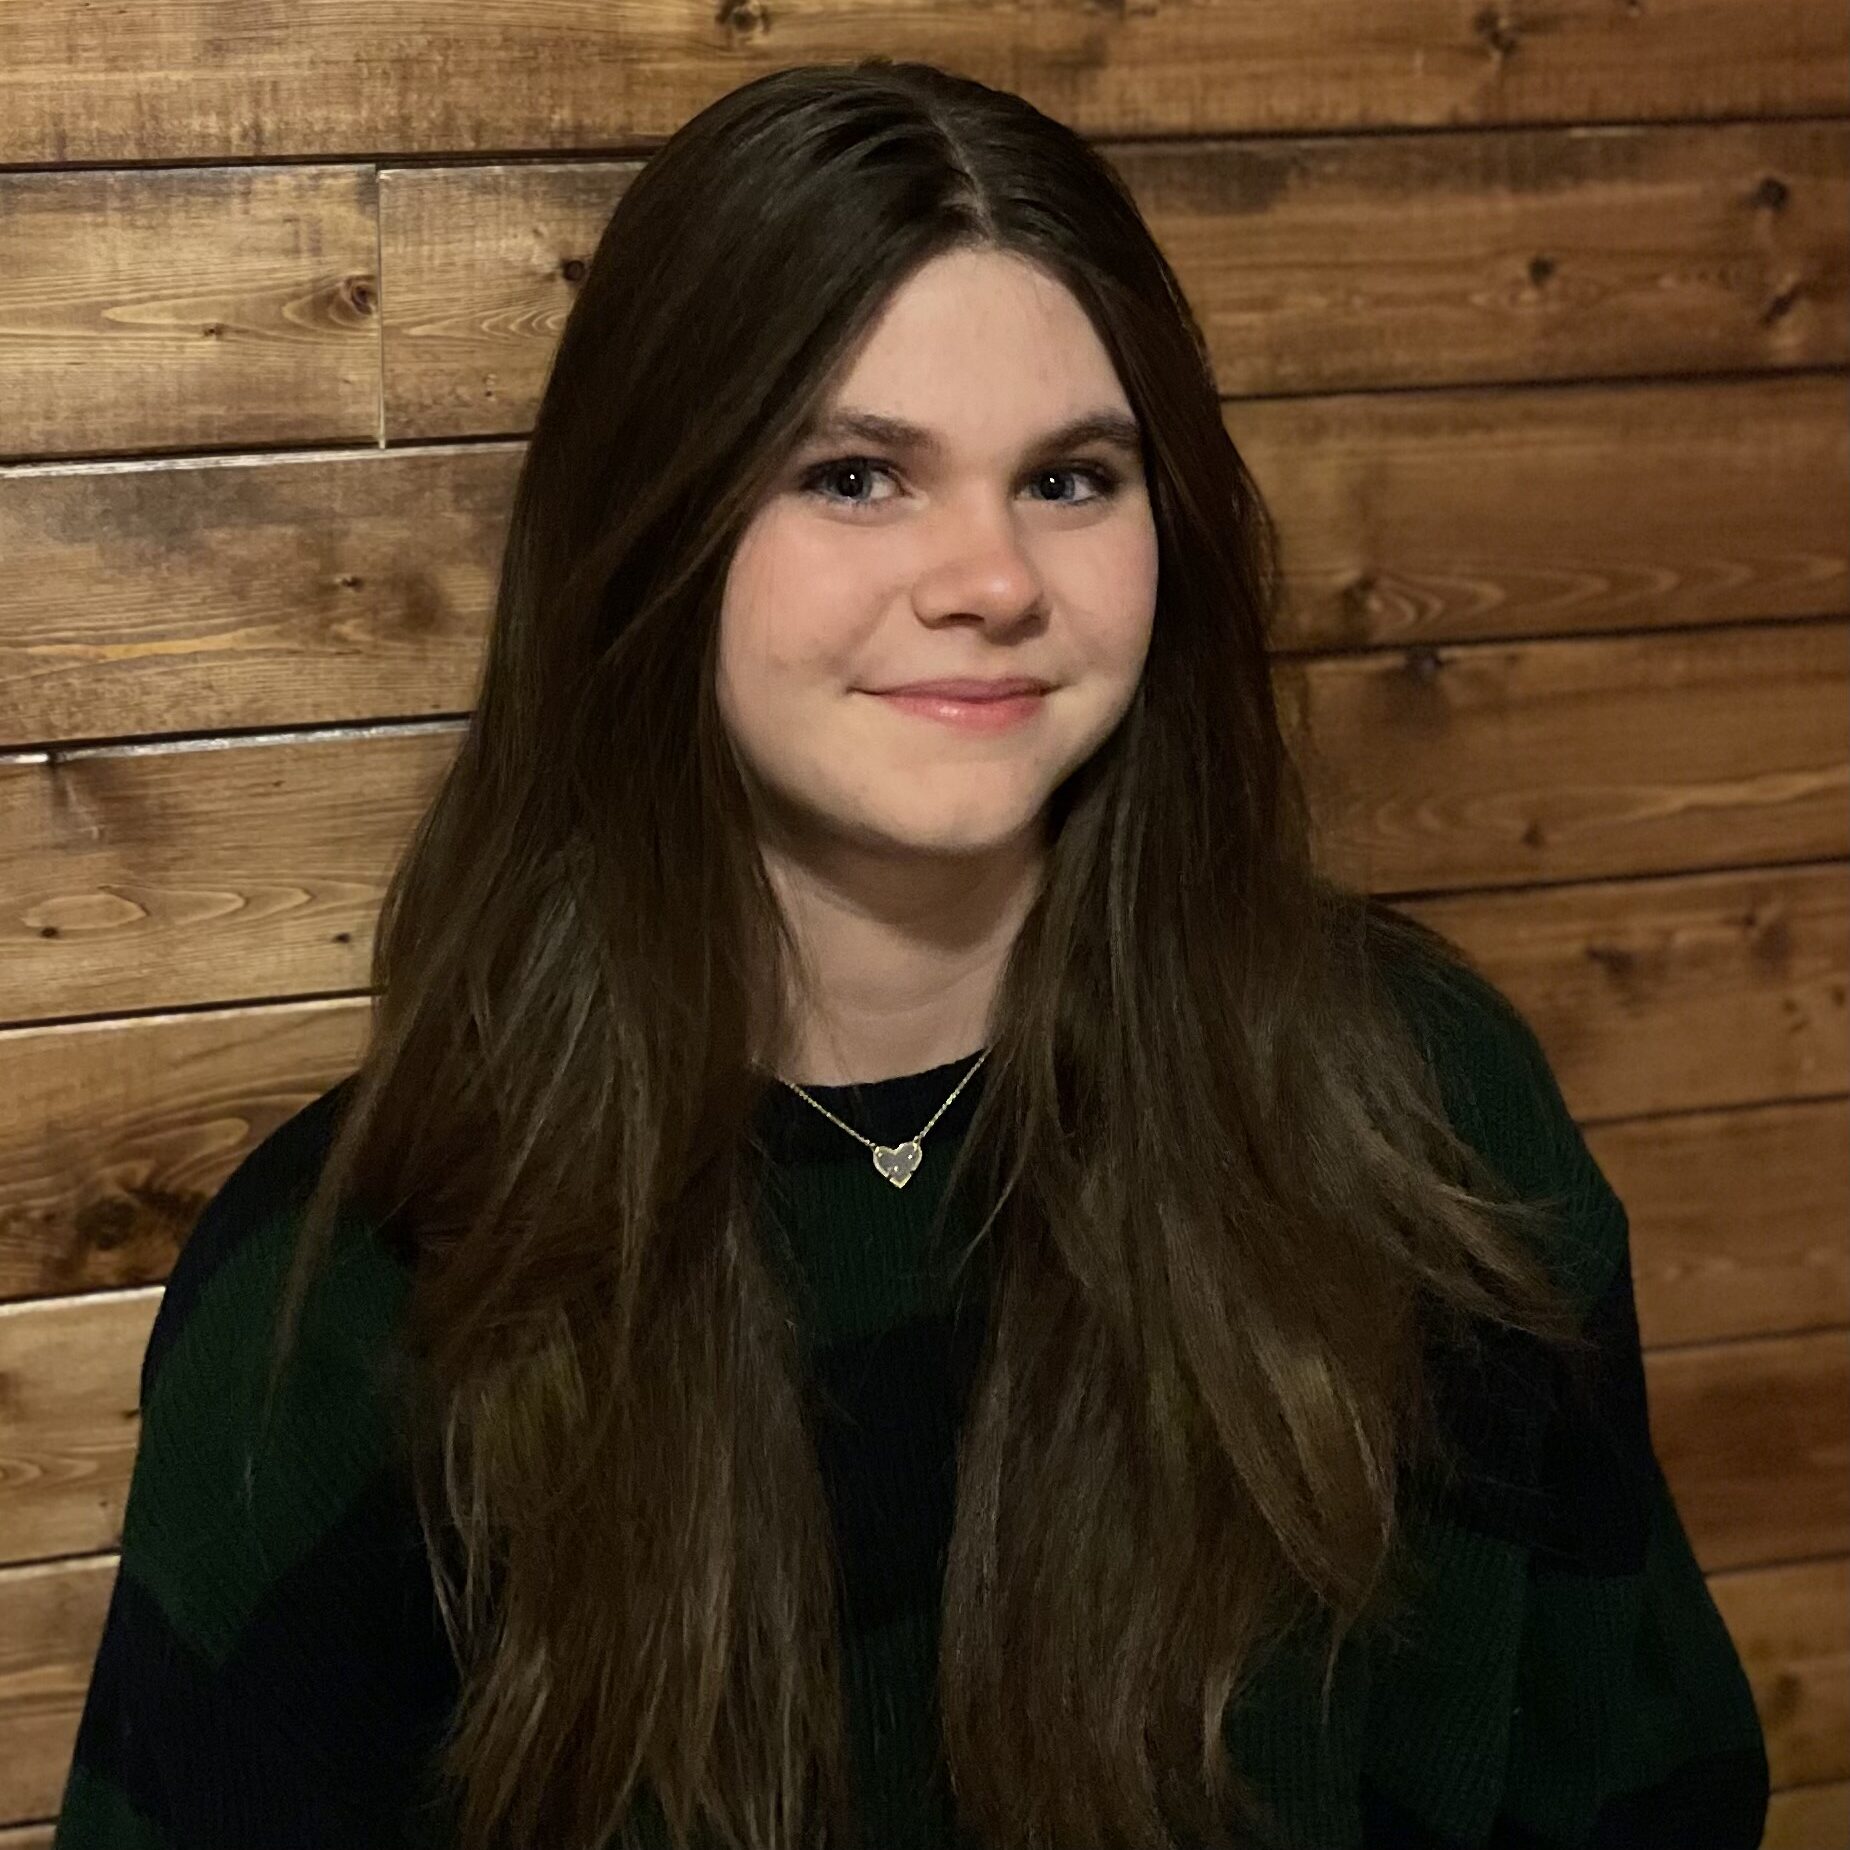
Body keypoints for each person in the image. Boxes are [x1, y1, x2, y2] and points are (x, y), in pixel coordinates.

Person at [51, 57, 1769, 1850]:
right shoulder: (352, 1285)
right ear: (655, 531)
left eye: (1071, 478)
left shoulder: (1407, 1106)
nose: (992, 576)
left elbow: (1647, 1792)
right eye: (858, 474)